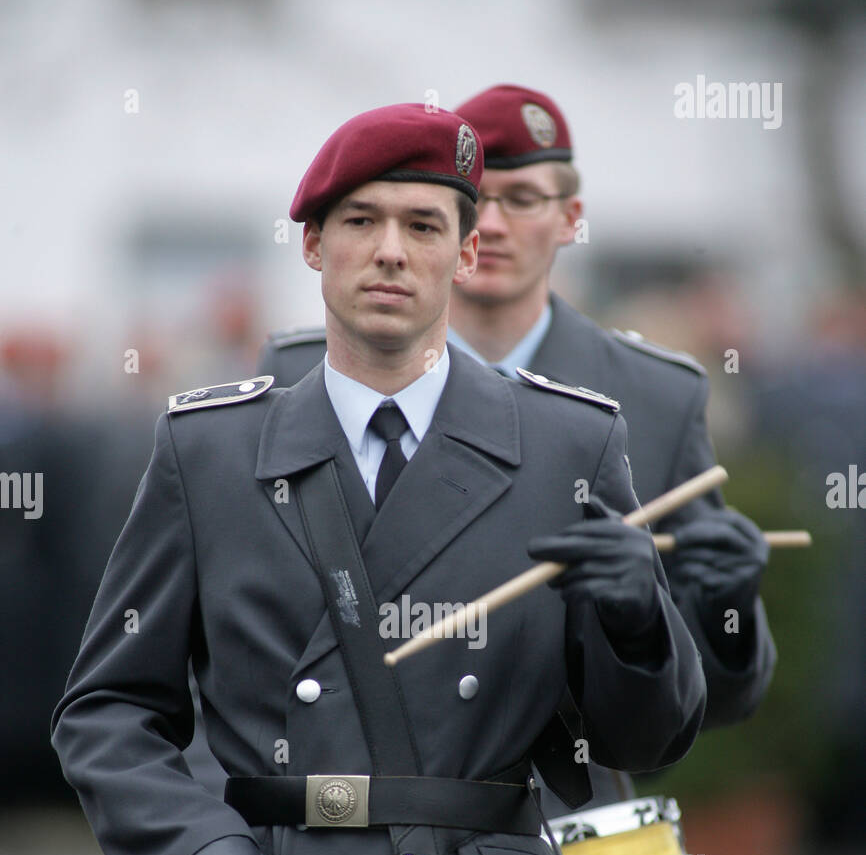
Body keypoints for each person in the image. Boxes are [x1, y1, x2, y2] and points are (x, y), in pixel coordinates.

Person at [51, 103, 706, 855]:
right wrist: (187, 848)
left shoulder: (567, 445)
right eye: (359, 222)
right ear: (311, 245)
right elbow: (108, 707)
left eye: (423, 223)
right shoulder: (209, 448)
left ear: (467, 250)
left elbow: (639, 736)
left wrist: (632, 617)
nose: (391, 250)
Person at [260, 85, 775, 806]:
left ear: (571, 219)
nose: (496, 224)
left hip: (564, 827)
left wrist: (726, 613)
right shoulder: (295, 377)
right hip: (341, 812)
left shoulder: (650, 398)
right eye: (479, 199)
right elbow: (230, 638)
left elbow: (693, 705)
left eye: (524, 199)